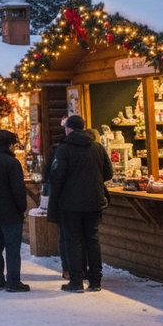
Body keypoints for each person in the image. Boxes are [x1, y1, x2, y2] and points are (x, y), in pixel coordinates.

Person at [48, 115, 113, 293]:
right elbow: (108, 173)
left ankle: (76, 281)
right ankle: (95, 281)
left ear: (68, 129)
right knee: (92, 240)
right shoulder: (98, 147)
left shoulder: (64, 149)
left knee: (73, 241)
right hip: (94, 202)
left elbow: (56, 177)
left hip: (70, 204)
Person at [0, 130, 30, 293]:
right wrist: (21, 207)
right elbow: (18, 189)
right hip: (10, 211)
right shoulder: (12, 163)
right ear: (10, 144)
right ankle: (13, 281)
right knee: (12, 248)